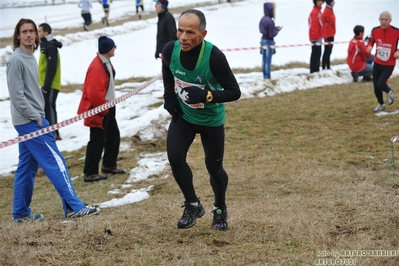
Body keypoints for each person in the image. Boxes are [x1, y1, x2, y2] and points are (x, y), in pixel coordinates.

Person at [6, 18, 100, 223]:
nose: (29, 35)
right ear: (18, 36)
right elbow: (17, 95)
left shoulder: (31, 56)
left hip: (33, 118)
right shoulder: (16, 60)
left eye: (32, 31)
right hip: (29, 121)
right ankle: (74, 207)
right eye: (24, 32)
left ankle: (20, 214)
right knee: (56, 161)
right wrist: (36, 118)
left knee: (26, 167)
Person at [161, 9, 241, 231]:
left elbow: (234, 91)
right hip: (184, 116)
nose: (183, 37)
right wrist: (169, 98)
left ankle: (220, 210)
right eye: (180, 31)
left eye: (190, 32)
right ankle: (193, 204)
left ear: (203, 34)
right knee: (175, 158)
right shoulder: (170, 49)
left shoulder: (214, 57)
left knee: (214, 168)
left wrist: (207, 95)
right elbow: (167, 71)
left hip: (210, 121)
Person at [77, 36, 126, 182]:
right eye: (113, 46)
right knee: (97, 140)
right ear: (108, 49)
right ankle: (90, 172)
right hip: (100, 109)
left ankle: (109, 164)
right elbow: (94, 93)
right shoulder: (97, 67)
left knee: (113, 136)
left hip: (108, 106)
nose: (115, 48)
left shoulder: (105, 62)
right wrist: (103, 110)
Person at [367, 11, 399, 113]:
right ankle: (381, 104)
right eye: (382, 19)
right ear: (379, 20)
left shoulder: (396, 31)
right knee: (376, 86)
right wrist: (369, 46)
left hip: (389, 64)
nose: (384, 22)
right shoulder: (375, 30)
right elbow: (371, 40)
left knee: (381, 84)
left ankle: (389, 91)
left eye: (386, 20)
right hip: (377, 62)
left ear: (390, 21)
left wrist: (398, 51)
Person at [38, 23, 62, 141]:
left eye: (40, 31)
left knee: (50, 108)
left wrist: (47, 86)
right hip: (45, 83)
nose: (38, 33)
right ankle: (49, 131)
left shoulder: (50, 47)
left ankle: (54, 133)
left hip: (51, 84)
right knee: (46, 107)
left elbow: (51, 68)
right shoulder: (45, 45)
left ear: (46, 32)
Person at [259, 2, 282, 79]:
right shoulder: (270, 21)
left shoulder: (262, 19)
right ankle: (267, 77)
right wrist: (277, 30)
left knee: (264, 60)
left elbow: (263, 30)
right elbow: (272, 34)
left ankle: (264, 76)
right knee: (268, 61)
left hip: (263, 40)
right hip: (269, 41)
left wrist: (274, 28)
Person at [308, 0, 324, 73]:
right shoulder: (315, 12)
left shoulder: (319, 11)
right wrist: (316, 37)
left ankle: (316, 70)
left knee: (317, 54)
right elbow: (314, 26)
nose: (320, 3)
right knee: (315, 54)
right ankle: (314, 70)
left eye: (321, 1)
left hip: (319, 36)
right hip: (315, 37)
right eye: (318, 1)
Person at [321, 0, 335, 70]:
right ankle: (324, 66)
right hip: (328, 34)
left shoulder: (330, 9)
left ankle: (327, 65)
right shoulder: (326, 11)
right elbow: (325, 24)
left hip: (331, 33)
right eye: (333, 1)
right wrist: (326, 36)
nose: (334, 2)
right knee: (327, 51)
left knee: (329, 51)